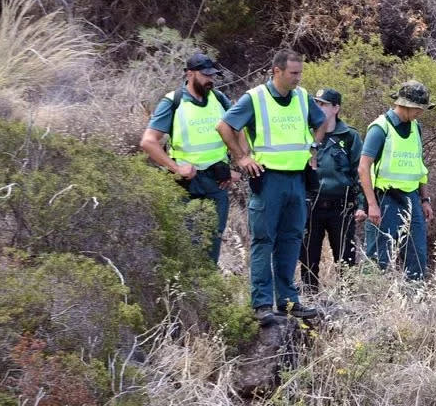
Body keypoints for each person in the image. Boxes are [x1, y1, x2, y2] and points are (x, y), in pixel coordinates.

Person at [216, 50, 328, 324]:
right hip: (268, 180)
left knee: (291, 239)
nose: (298, 78)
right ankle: (262, 304)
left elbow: (321, 122)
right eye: (293, 73)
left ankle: (289, 301)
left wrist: (314, 147)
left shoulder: (301, 96)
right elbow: (224, 126)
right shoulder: (255, 98)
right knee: (264, 241)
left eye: (300, 73)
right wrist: (242, 158)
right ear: (277, 71)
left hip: (297, 180)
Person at [139, 52, 240, 264]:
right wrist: (175, 168)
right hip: (186, 185)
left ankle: (208, 292)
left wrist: (239, 162)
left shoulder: (220, 99)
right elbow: (148, 141)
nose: (210, 79)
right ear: (189, 73)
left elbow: (239, 130)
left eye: (213, 75)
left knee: (213, 242)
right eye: (205, 75)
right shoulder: (173, 102)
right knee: (186, 243)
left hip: (216, 183)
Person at [358, 80, 435, 280]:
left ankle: (414, 297)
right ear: (406, 105)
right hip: (385, 199)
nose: (421, 112)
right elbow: (363, 167)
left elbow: (420, 166)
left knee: (417, 253)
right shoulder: (380, 128)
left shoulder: (416, 127)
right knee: (378, 255)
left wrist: (425, 200)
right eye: (418, 108)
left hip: (411, 200)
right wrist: (372, 205)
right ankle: (370, 298)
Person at [299, 88, 365, 292]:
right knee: (309, 257)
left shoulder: (349, 136)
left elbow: (360, 172)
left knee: (345, 257)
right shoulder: (306, 134)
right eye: (316, 103)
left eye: (323, 104)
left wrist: (362, 204)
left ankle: (349, 300)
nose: (318, 108)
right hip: (312, 205)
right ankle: (310, 299)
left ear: (336, 108)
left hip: (341, 206)